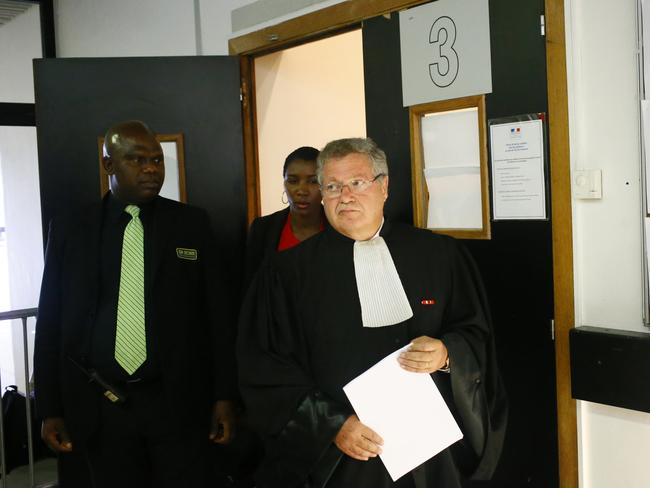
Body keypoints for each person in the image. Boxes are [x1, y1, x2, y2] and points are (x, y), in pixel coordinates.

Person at [237, 138, 507, 488]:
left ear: (384, 186)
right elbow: (264, 367)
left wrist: (446, 353)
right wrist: (332, 425)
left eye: (357, 183)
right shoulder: (285, 274)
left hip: (431, 455)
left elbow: (475, 333)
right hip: (341, 459)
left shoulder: (439, 256)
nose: (345, 196)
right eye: (332, 186)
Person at [34, 120, 237, 487]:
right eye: (137, 160)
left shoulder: (191, 224)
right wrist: (49, 408)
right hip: (100, 403)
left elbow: (217, 317)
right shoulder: (72, 229)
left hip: (176, 401)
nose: (150, 169)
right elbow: (50, 320)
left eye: (157, 160)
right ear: (109, 165)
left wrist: (224, 396)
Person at [244, 146, 324, 285]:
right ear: (284, 183)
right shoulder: (262, 229)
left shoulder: (340, 229)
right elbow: (250, 287)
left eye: (313, 181)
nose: (302, 191)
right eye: (293, 181)